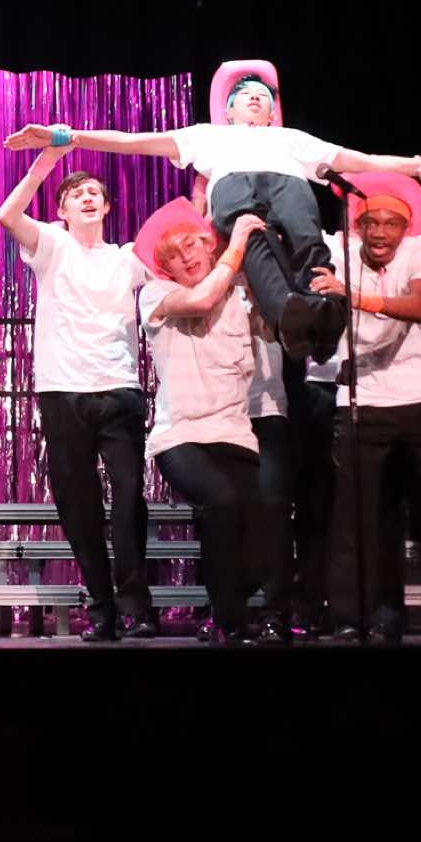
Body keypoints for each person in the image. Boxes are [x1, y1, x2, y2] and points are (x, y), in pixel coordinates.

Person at [5, 59, 421, 360]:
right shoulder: (207, 136)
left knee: (305, 236)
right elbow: (133, 141)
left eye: (262, 97)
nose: (253, 100)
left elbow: (368, 161)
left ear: (272, 112)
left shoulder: (293, 139)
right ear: (227, 110)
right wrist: (67, 136)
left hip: (288, 183)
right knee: (256, 243)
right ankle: (287, 315)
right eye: (243, 96)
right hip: (233, 188)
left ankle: (325, 313)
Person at [0, 138, 154, 641]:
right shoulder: (52, 245)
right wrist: (48, 161)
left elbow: (181, 252)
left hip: (119, 390)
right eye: (76, 195)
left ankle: (136, 607)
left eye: (94, 194)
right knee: (80, 508)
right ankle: (102, 608)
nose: (87, 198)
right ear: (62, 212)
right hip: (63, 392)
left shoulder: (128, 258)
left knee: (129, 497)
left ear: (106, 208)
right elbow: (7, 214)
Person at [311, 171, 421, 645]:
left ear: (405, 228)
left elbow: (419, 306)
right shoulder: (338, 253)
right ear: (357, 226)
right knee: (357, 517)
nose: (380, 233)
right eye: (371, 223)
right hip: (365, 401)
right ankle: (355, 617)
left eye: (391, 224)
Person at [133, 201, 285, 645]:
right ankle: (227, 620)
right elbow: (201, 299)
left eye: (191, 245)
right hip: (182, 436)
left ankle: (229, 610)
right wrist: (236, 244)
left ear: (207, 246)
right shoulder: (156, 295)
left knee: (259, 537)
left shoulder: (238, 294)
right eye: (174, 255)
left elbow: (275, 332)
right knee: (221, 501)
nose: (187, 257)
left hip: (236, 434)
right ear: (164, 269)